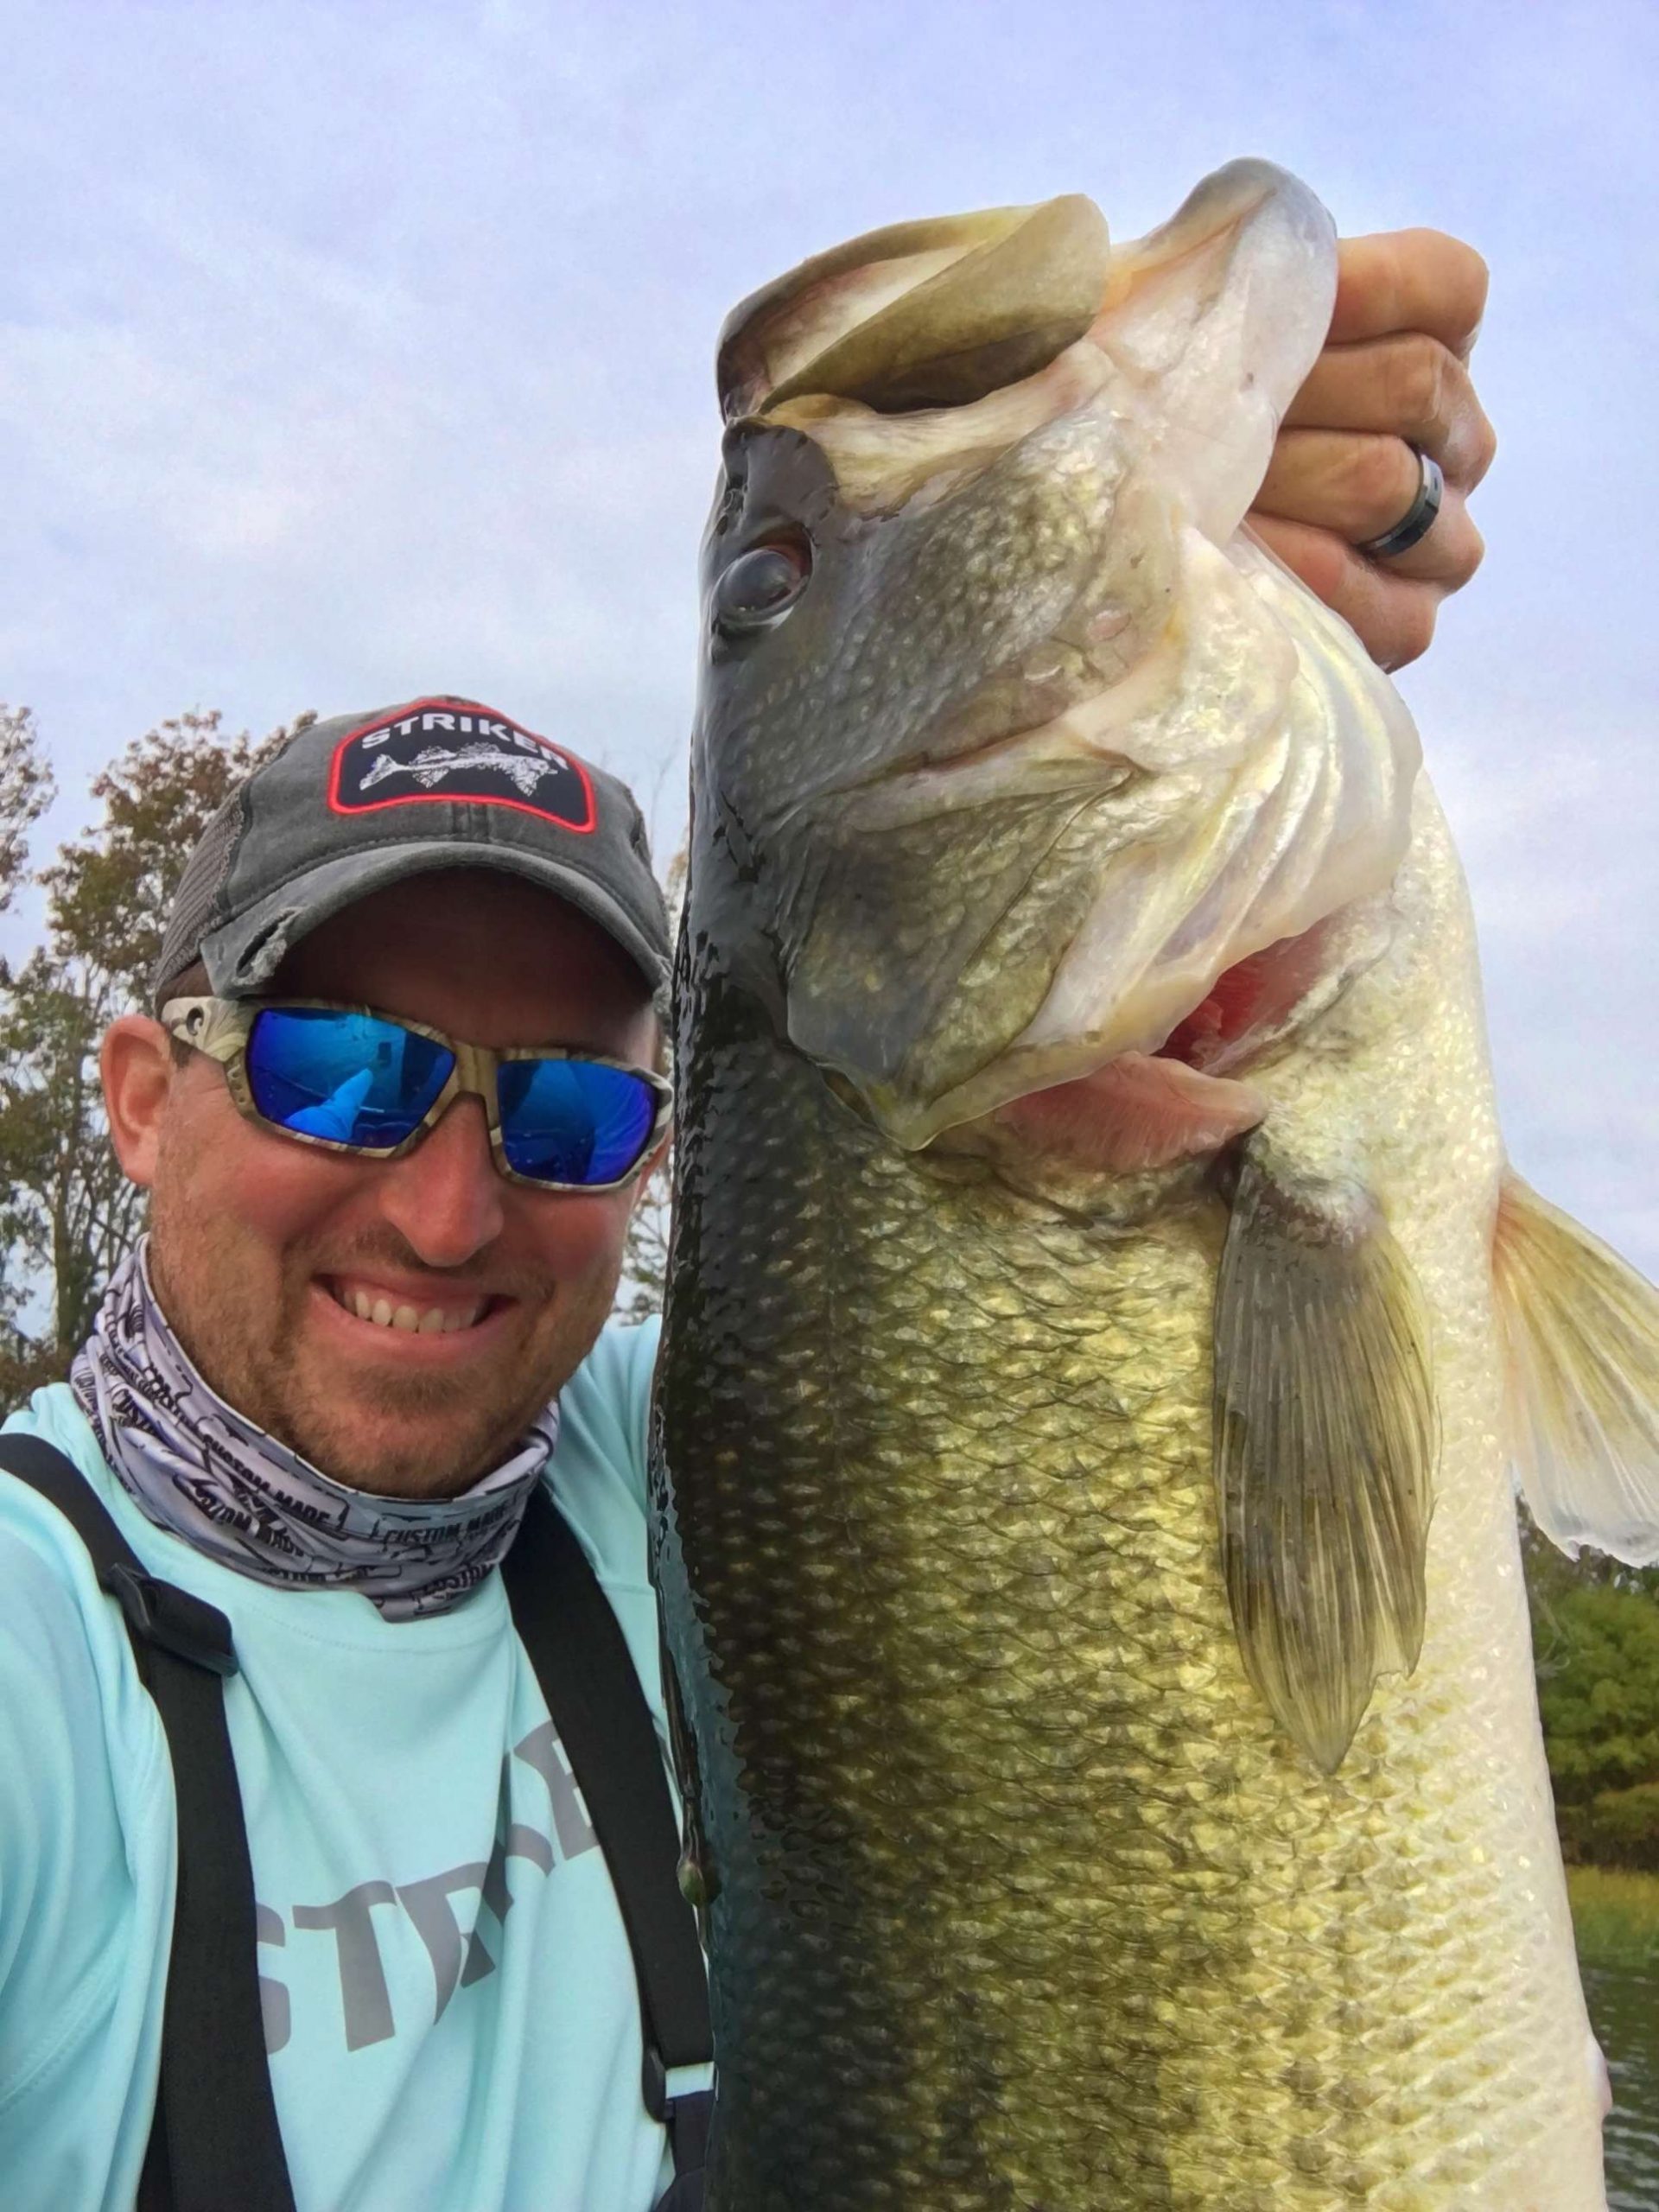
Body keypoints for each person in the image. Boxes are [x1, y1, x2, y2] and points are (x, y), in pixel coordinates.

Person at [0, 226, 1494, 2212]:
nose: (447, 1210)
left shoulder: (686, 1470)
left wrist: (1181, 534)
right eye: (336, 1068)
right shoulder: (35, 1660)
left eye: (569, 1108)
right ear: (137, 1092)